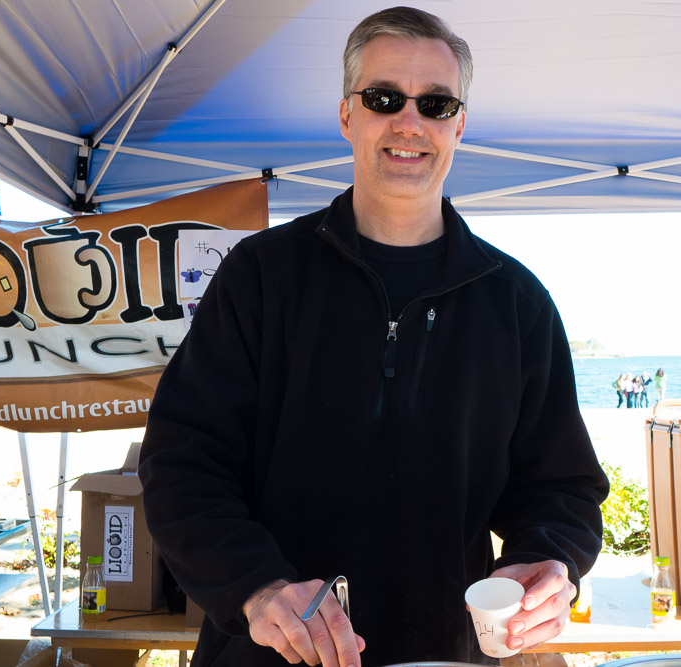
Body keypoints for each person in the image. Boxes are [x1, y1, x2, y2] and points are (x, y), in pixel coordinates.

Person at [137, 8, 609, 667]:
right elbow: (181, 465)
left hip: (446, 654)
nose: (410, 122)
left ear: (459, 125)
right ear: (347, 115)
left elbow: (563, 487)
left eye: (436, 103)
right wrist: (257, 586)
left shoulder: (517, 302)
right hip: (273, 656)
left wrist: (543, 562)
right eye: (384, 98)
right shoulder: (261, 278)